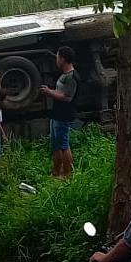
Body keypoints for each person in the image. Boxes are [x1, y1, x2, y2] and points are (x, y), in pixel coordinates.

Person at [39, 46, 78, 178]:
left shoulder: (72, 76)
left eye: (57, 57)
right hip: (56, 113)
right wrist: (50, 91)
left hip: (64, 115)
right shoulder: (64, 75)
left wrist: (50, 92)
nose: (56, 60)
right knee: (55, 145)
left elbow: (67, 97)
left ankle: (67, 174)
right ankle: (56, 172)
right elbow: (60, 92)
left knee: (64, 145)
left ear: (63, 59)